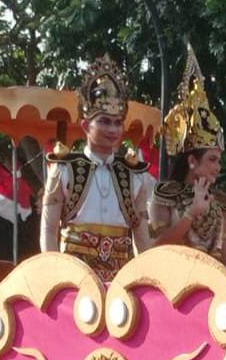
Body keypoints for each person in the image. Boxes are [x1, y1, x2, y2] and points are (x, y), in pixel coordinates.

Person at [39, 56, 156, 281]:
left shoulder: (134, 175)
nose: (112, 129)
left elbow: (141, 237)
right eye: (104, 121)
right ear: (85, 125)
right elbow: (49, 230)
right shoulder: (64, 169)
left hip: (120, 279)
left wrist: (145, 279)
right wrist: (56, 277)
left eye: (117, 122)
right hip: (74, 278)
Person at [149, 45, 226, 271]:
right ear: (192, 161)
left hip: (212, 286)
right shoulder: (165, 195)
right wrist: (191, 213)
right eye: (212, 160)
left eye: (218, 160)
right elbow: (154, 250)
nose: (218, 167)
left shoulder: (220, 203)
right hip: (173, 282)